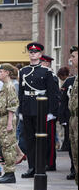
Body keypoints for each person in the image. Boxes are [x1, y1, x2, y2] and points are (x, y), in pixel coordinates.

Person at [18, 43, 60, 179]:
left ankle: (41, 166)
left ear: (40, 55)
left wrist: (51, 112)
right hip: (27, 108)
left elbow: (52, 93)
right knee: (29, 139)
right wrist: (20, 111)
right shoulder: (23, 71)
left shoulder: (46, 72)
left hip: (41, 108)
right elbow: (21, 92)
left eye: (35, 52)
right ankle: (32, 167)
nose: (33, 54)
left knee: (41, 140)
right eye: (31, 52)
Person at [0, 64, 19, 184]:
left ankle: (10, 174)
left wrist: (9, 123)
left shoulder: (10, 86)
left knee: (9, 146)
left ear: (7, 73)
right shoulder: (4, 86)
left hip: (7, 118)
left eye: (1, 71)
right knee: (5, 145)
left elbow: (12, 106)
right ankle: (7, 172)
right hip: (3, 118)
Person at [40, 54, 59, 171]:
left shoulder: (51, 76)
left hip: (49, 112)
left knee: (50, 139)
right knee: (43, 139)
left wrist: (52, 112)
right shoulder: (43, 75)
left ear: (47, 63)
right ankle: (45, 161)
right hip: (42, 111)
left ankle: (51, 163)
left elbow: (54, 95)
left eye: (42, 62)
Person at [58, 67, 76, 180]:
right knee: (72, 146)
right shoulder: (70, 81)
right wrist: (62, 118)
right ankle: (74, 169)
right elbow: (63, 101)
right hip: (71, 118)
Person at [65, 46, 78, 190]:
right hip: (74, 120)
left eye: (74, 56)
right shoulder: (75, 77)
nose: (71, 59)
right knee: (75, 156)